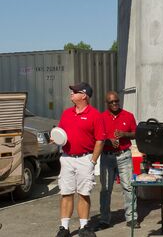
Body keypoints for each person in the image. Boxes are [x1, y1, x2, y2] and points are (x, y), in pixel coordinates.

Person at [55, 82, 105, 237]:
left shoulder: (95, 115)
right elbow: (61, 133)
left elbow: (100, 140)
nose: (71, 93)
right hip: (67, 159)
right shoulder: (66, 113)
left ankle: (84, 227)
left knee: (84, 193)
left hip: (85, 159)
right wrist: (55, 137)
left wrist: (92, 161)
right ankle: (64, 228)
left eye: (75, 91)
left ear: (84, 95)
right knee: (66, 193)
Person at [97, 91, 138, 230]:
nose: (115, 104)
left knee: (128, 187)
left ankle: (132, 217)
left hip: (124, 155)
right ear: (106, 103)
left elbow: (136, 133)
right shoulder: (101, 118)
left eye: (116, 101)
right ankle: (104, 219)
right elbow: (97, 138)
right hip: (107, 156)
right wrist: (109, 141)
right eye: (111, 102)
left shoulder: (128, 115)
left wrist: (124, 134)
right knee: (106, 189)